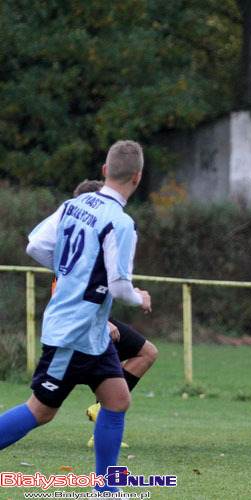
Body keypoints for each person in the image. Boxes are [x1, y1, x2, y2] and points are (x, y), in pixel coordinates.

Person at [0, 140, 151, 497]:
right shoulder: (121, 222)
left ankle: (105, 489)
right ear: (138, 178)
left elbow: (35, 245)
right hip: (73, 332)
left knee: (116, 400)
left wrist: (71, 273)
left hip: (91, 333)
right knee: (40, 410)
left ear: (104, 171)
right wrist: (139, 297)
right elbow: (119, 286)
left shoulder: (74, 204)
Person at [70, 179, 158, 448]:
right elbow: (65, 293)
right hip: (80, 328)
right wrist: (104, 320)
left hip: (97, 323)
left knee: (147, 353)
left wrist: (132, 294)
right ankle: (103, 423)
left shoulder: (96, 239)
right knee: (41, 407)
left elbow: (112, 284)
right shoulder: (74, 243)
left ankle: (102, 420)